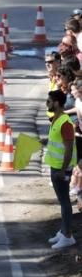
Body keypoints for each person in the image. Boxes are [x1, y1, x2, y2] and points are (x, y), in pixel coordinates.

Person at [45, 89, 77, 249]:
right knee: (62, 201)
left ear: (57, 103)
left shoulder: (64, 122)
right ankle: (63, 230)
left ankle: (68, 235)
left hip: (61, 169)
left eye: (49, 101)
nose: (47, 104)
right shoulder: (56, 119)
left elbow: (69, 148)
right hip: (56, 166)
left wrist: (63, 171)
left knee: (65, 202)